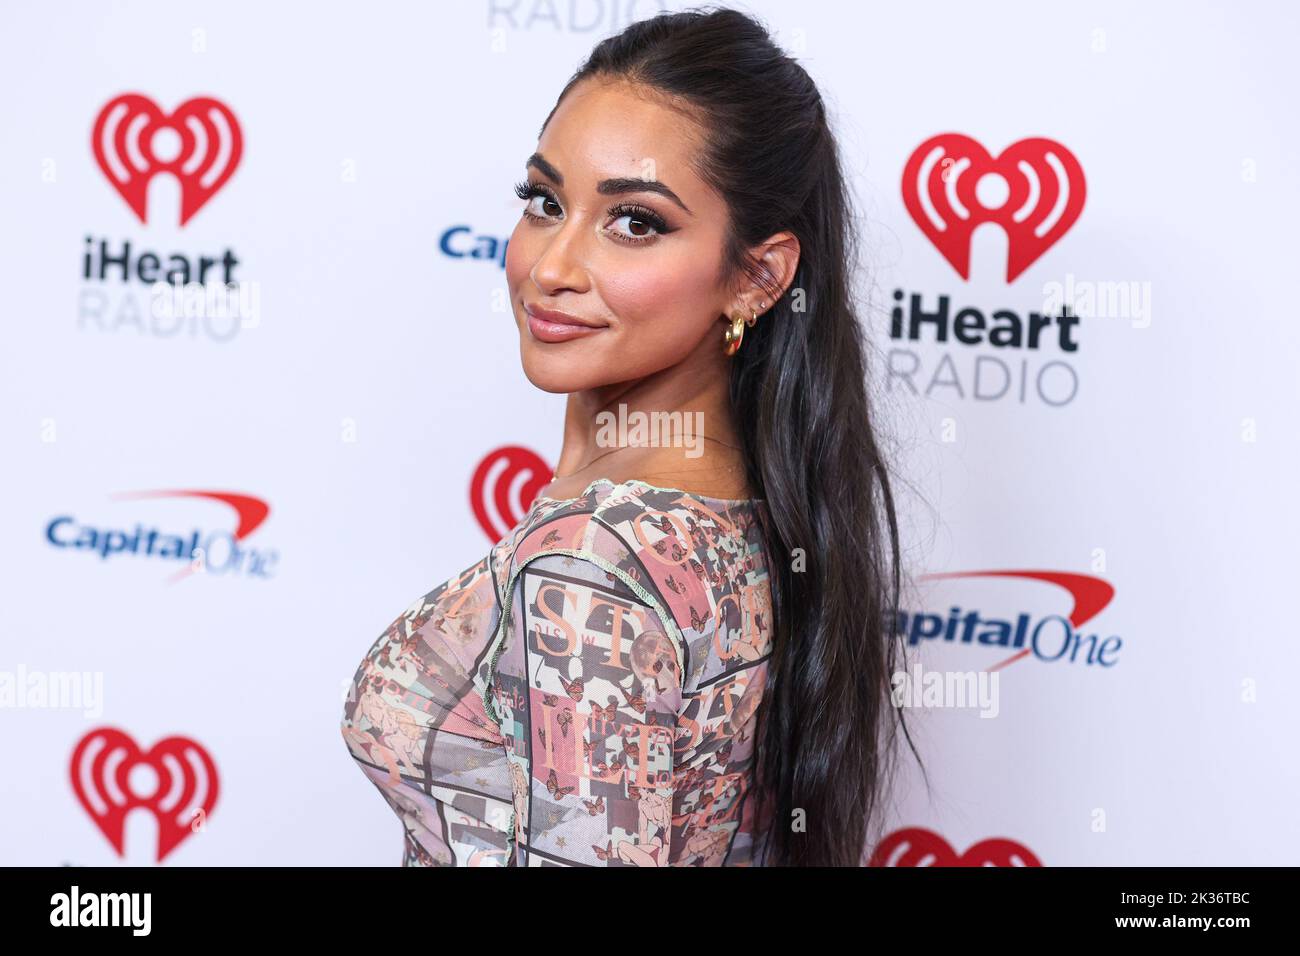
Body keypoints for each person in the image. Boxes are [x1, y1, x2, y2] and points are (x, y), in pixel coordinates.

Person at [341, 5, 913, 867]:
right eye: (544, 201)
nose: (553, 267)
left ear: (757, 277)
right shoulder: (751, 509)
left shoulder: (590, 568)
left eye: (634, 222)